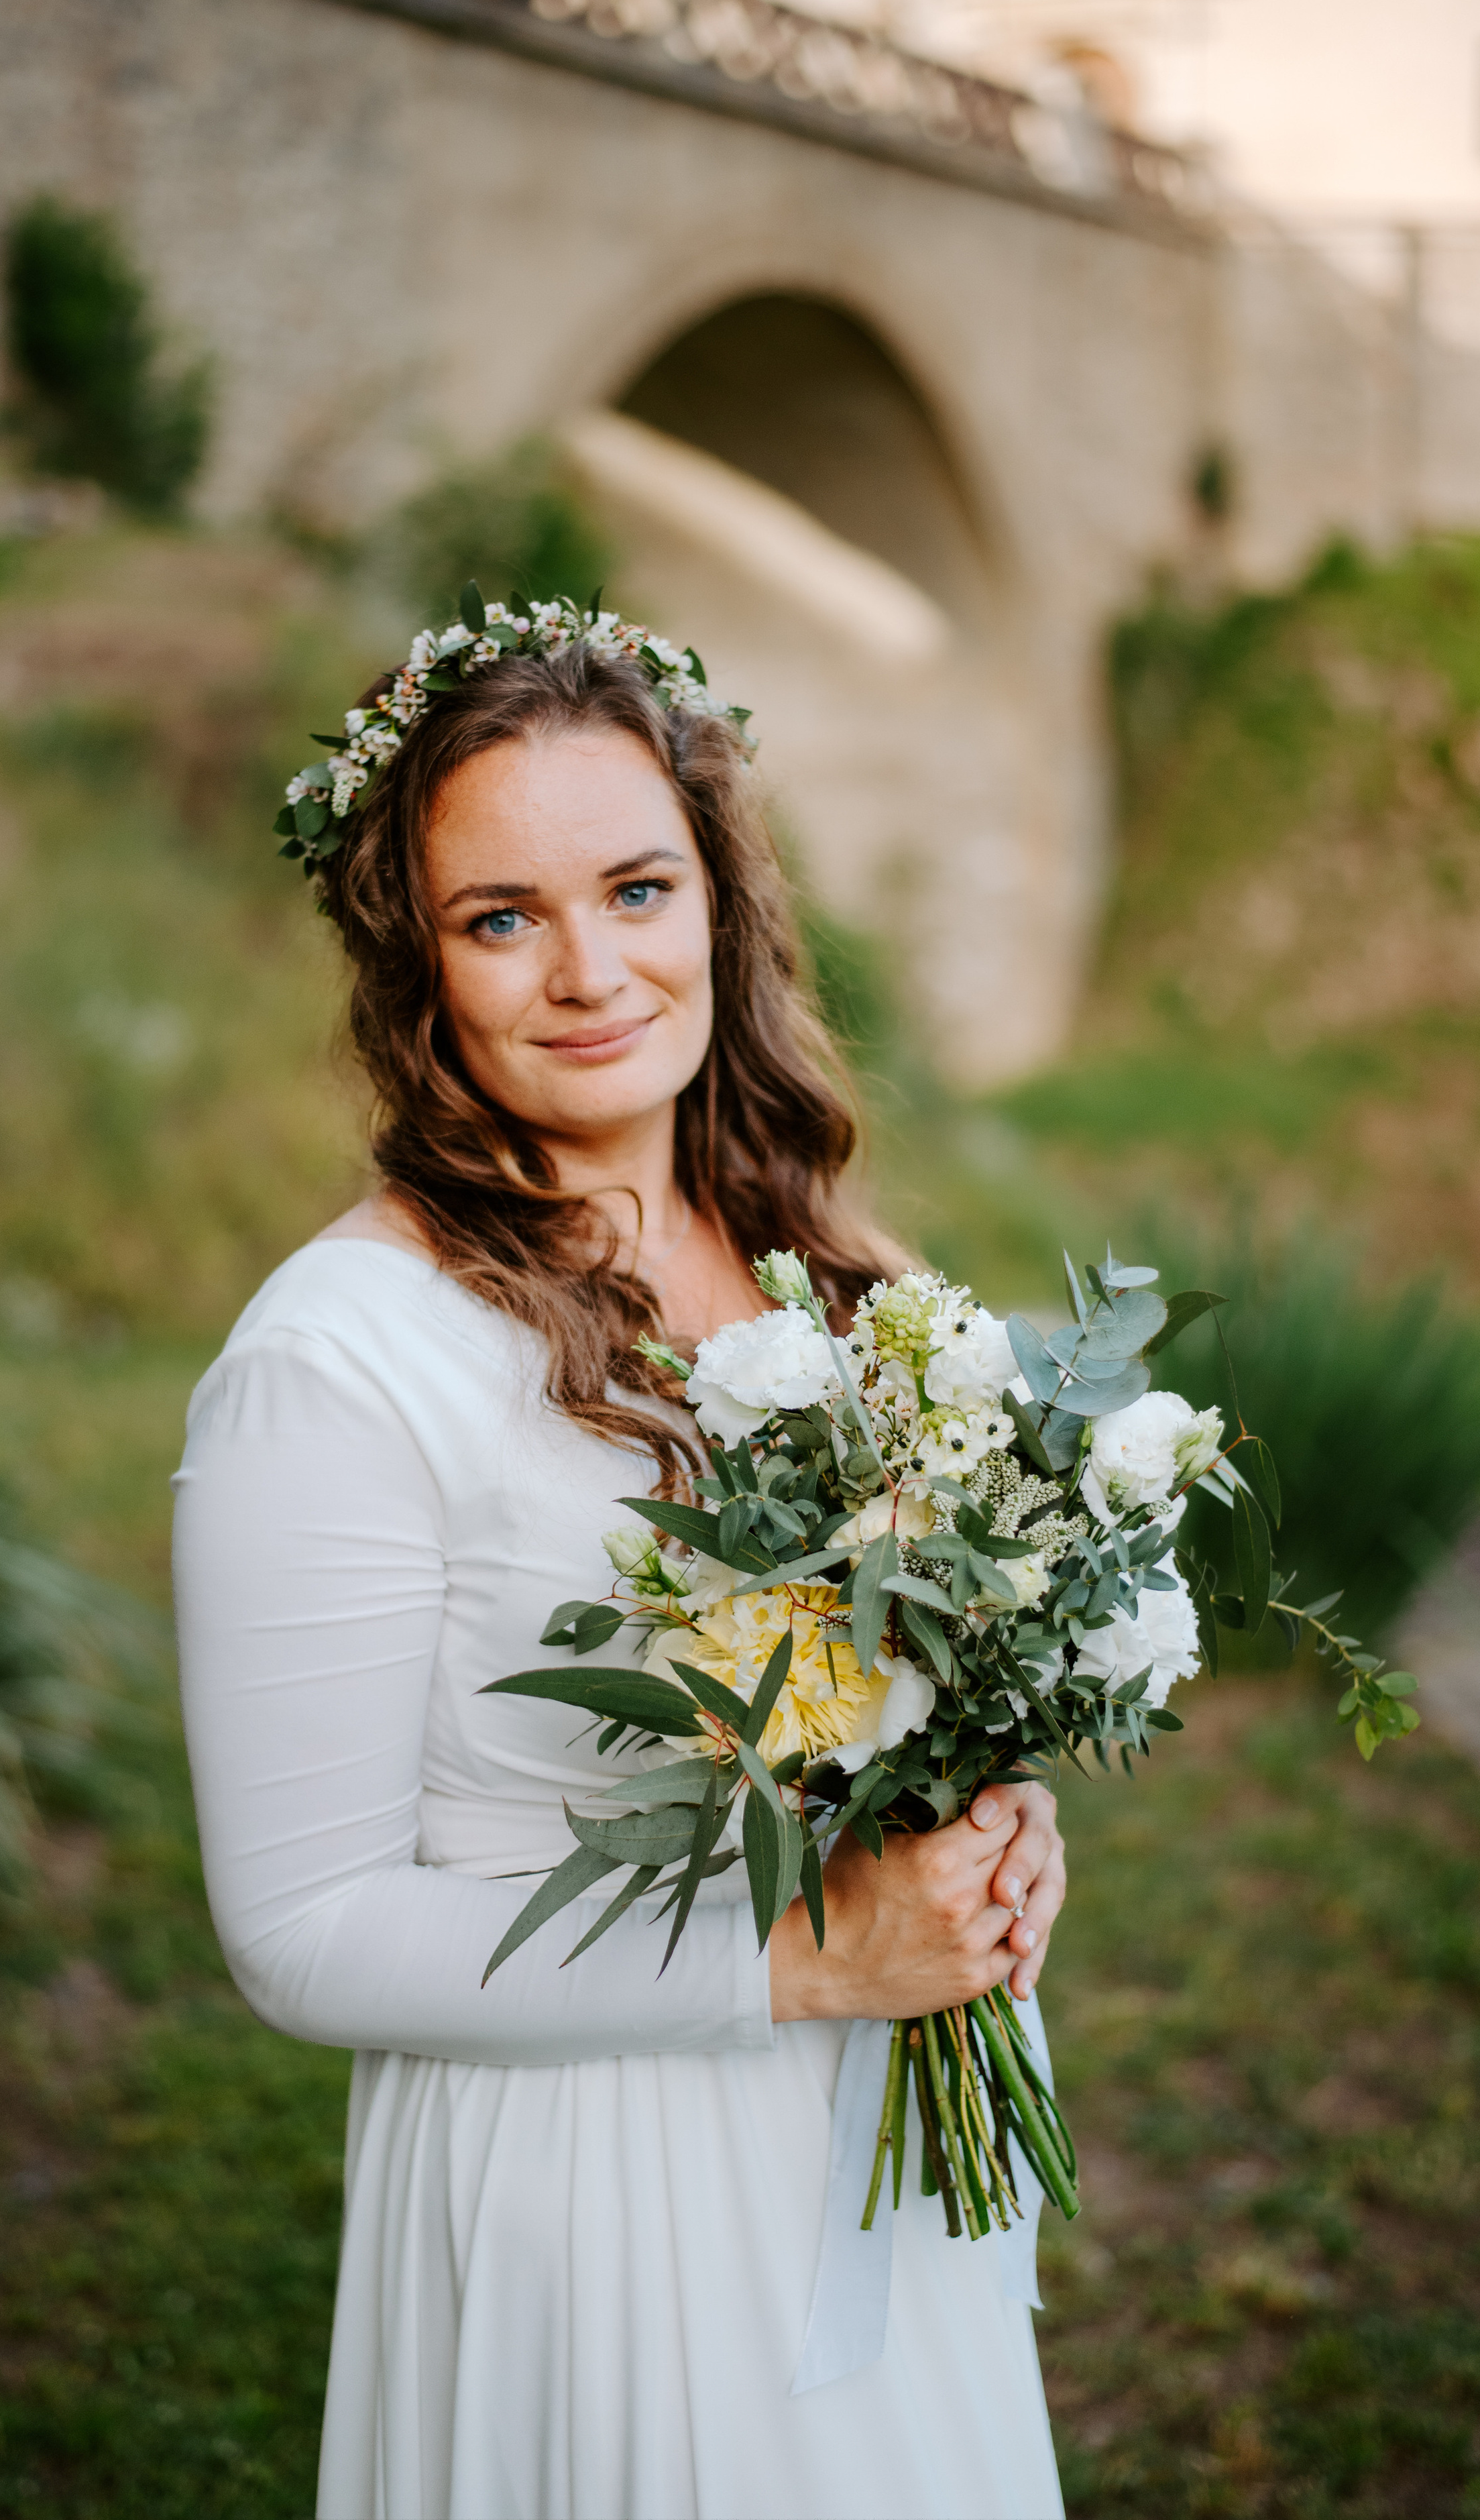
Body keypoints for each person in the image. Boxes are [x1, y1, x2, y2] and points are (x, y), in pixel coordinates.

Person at [173, 599, 1068, 2520]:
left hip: (879, 2156)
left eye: (636, 886)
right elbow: (303, 1927)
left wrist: (987, 1831)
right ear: (417, 967)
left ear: (718, 899)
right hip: (599, 2190)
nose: (589, 970)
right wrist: (805, 1958)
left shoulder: (836, 1270)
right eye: (502, 917)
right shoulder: (338, 1364)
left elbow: (908, 1677)